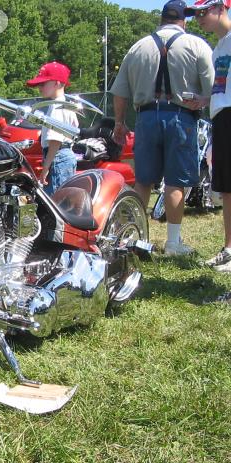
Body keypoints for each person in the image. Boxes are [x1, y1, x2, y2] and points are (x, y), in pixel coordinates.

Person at [110, 0, 214, 256]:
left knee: (143, 181)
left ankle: (131, 240)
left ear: (161, 18)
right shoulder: (196, 44)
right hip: (181, 117)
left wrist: (119, 122)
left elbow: (120, 92)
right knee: (175, 182)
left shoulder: (138, 47)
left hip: (146, 118)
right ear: (183, 20)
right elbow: (212, 87)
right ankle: (173, 243)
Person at [185, 0, 231, 272]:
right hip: (221, 117)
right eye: (196, 13)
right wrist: (204, 100)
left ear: (222, 8)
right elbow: (222, 89)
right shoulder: (219, 47)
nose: (199, 17)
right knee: (226, 188)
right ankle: (229, 249)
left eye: (204, 11)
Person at [26, 61, 79, 195]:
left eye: (43, 83)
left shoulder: (56, 107)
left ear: (56, 83)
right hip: (66, 156)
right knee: (65, 199)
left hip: (57, 157)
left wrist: (46, 167)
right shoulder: (67, 105)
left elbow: (55, 140)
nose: (40, 87)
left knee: (56, 200)